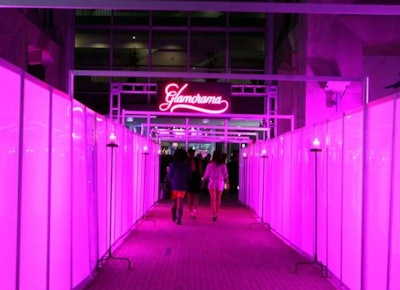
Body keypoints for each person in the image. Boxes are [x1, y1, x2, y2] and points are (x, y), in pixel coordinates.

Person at [202, 150, 229, 222]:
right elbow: (226, 175)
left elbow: (206, 175)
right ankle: (216, 212)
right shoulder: (223, 165)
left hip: (212, 182)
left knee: (213, 198)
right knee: (218, 198)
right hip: (220, 182)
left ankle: (214, 213)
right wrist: (227, 183)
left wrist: (203, 181)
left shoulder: (209, 164)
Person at [166, 148, 191, 225]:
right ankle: (179, 219)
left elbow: (169, 176)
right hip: (182, 186)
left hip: (174, 186)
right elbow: (189, 177)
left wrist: (172, 181)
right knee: (180, 202)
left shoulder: (172, 165)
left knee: (174, 202)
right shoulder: (186, 166)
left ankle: (173, 216)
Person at [187, 149, 203, 219]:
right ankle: (193, 212)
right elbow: (200, 171)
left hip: (192, 180)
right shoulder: (196, 161)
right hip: (195, 179)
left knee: (191, 197)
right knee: (194, 197)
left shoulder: (187, 161)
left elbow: (199, 171)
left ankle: (192, 212)